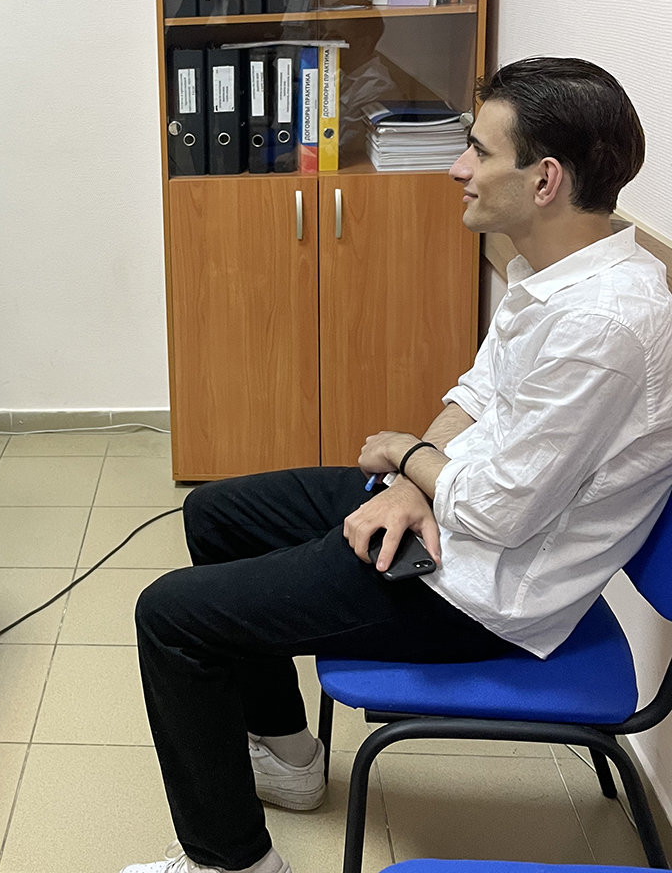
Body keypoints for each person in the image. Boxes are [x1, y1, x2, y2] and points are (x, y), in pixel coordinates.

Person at [124, 57, 672, 873]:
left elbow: (500, 515)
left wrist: (405, 457)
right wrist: (411, 481)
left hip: (476, 588)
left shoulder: (607, 327)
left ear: (545, 179)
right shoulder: (553, 274)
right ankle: (291, 757)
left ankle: (231, 863)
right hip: (450, 516)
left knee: (171, 618)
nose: (458, 167)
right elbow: (475, 394)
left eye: (479, 150)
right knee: (217, 513)